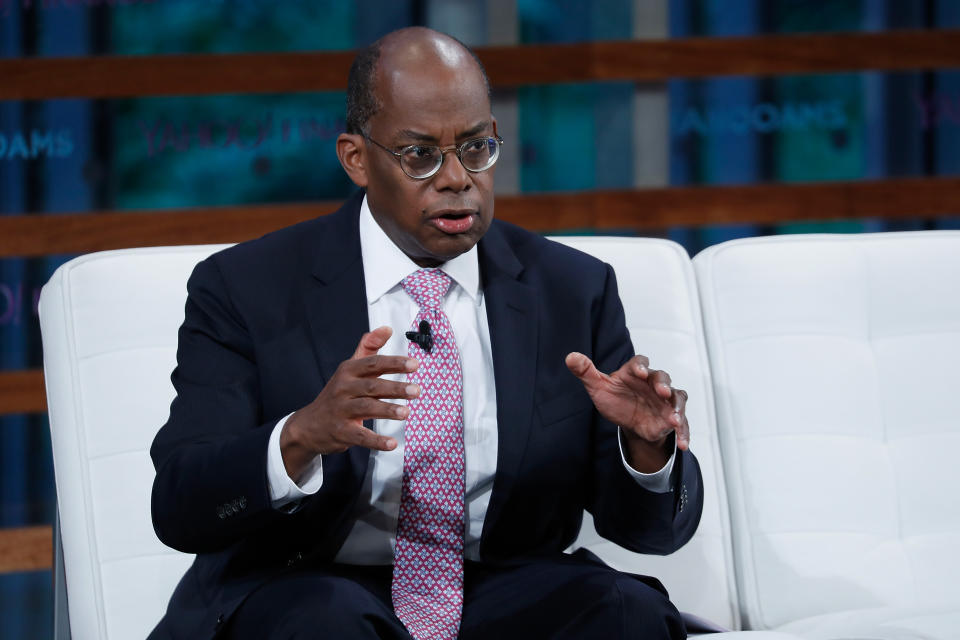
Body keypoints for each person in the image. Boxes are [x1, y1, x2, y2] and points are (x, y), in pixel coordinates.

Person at [148, 26, 702, 640]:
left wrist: (646, 451)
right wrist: (300, 436)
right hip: (308, 585)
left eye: (476, 148)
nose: (457, 179)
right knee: (327, 624)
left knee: (628, 613)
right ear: (356, 158)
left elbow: (650, 532)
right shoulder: (246, 288)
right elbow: (180, 503)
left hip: (495, 589)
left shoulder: (572, 290)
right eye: (420, 155)